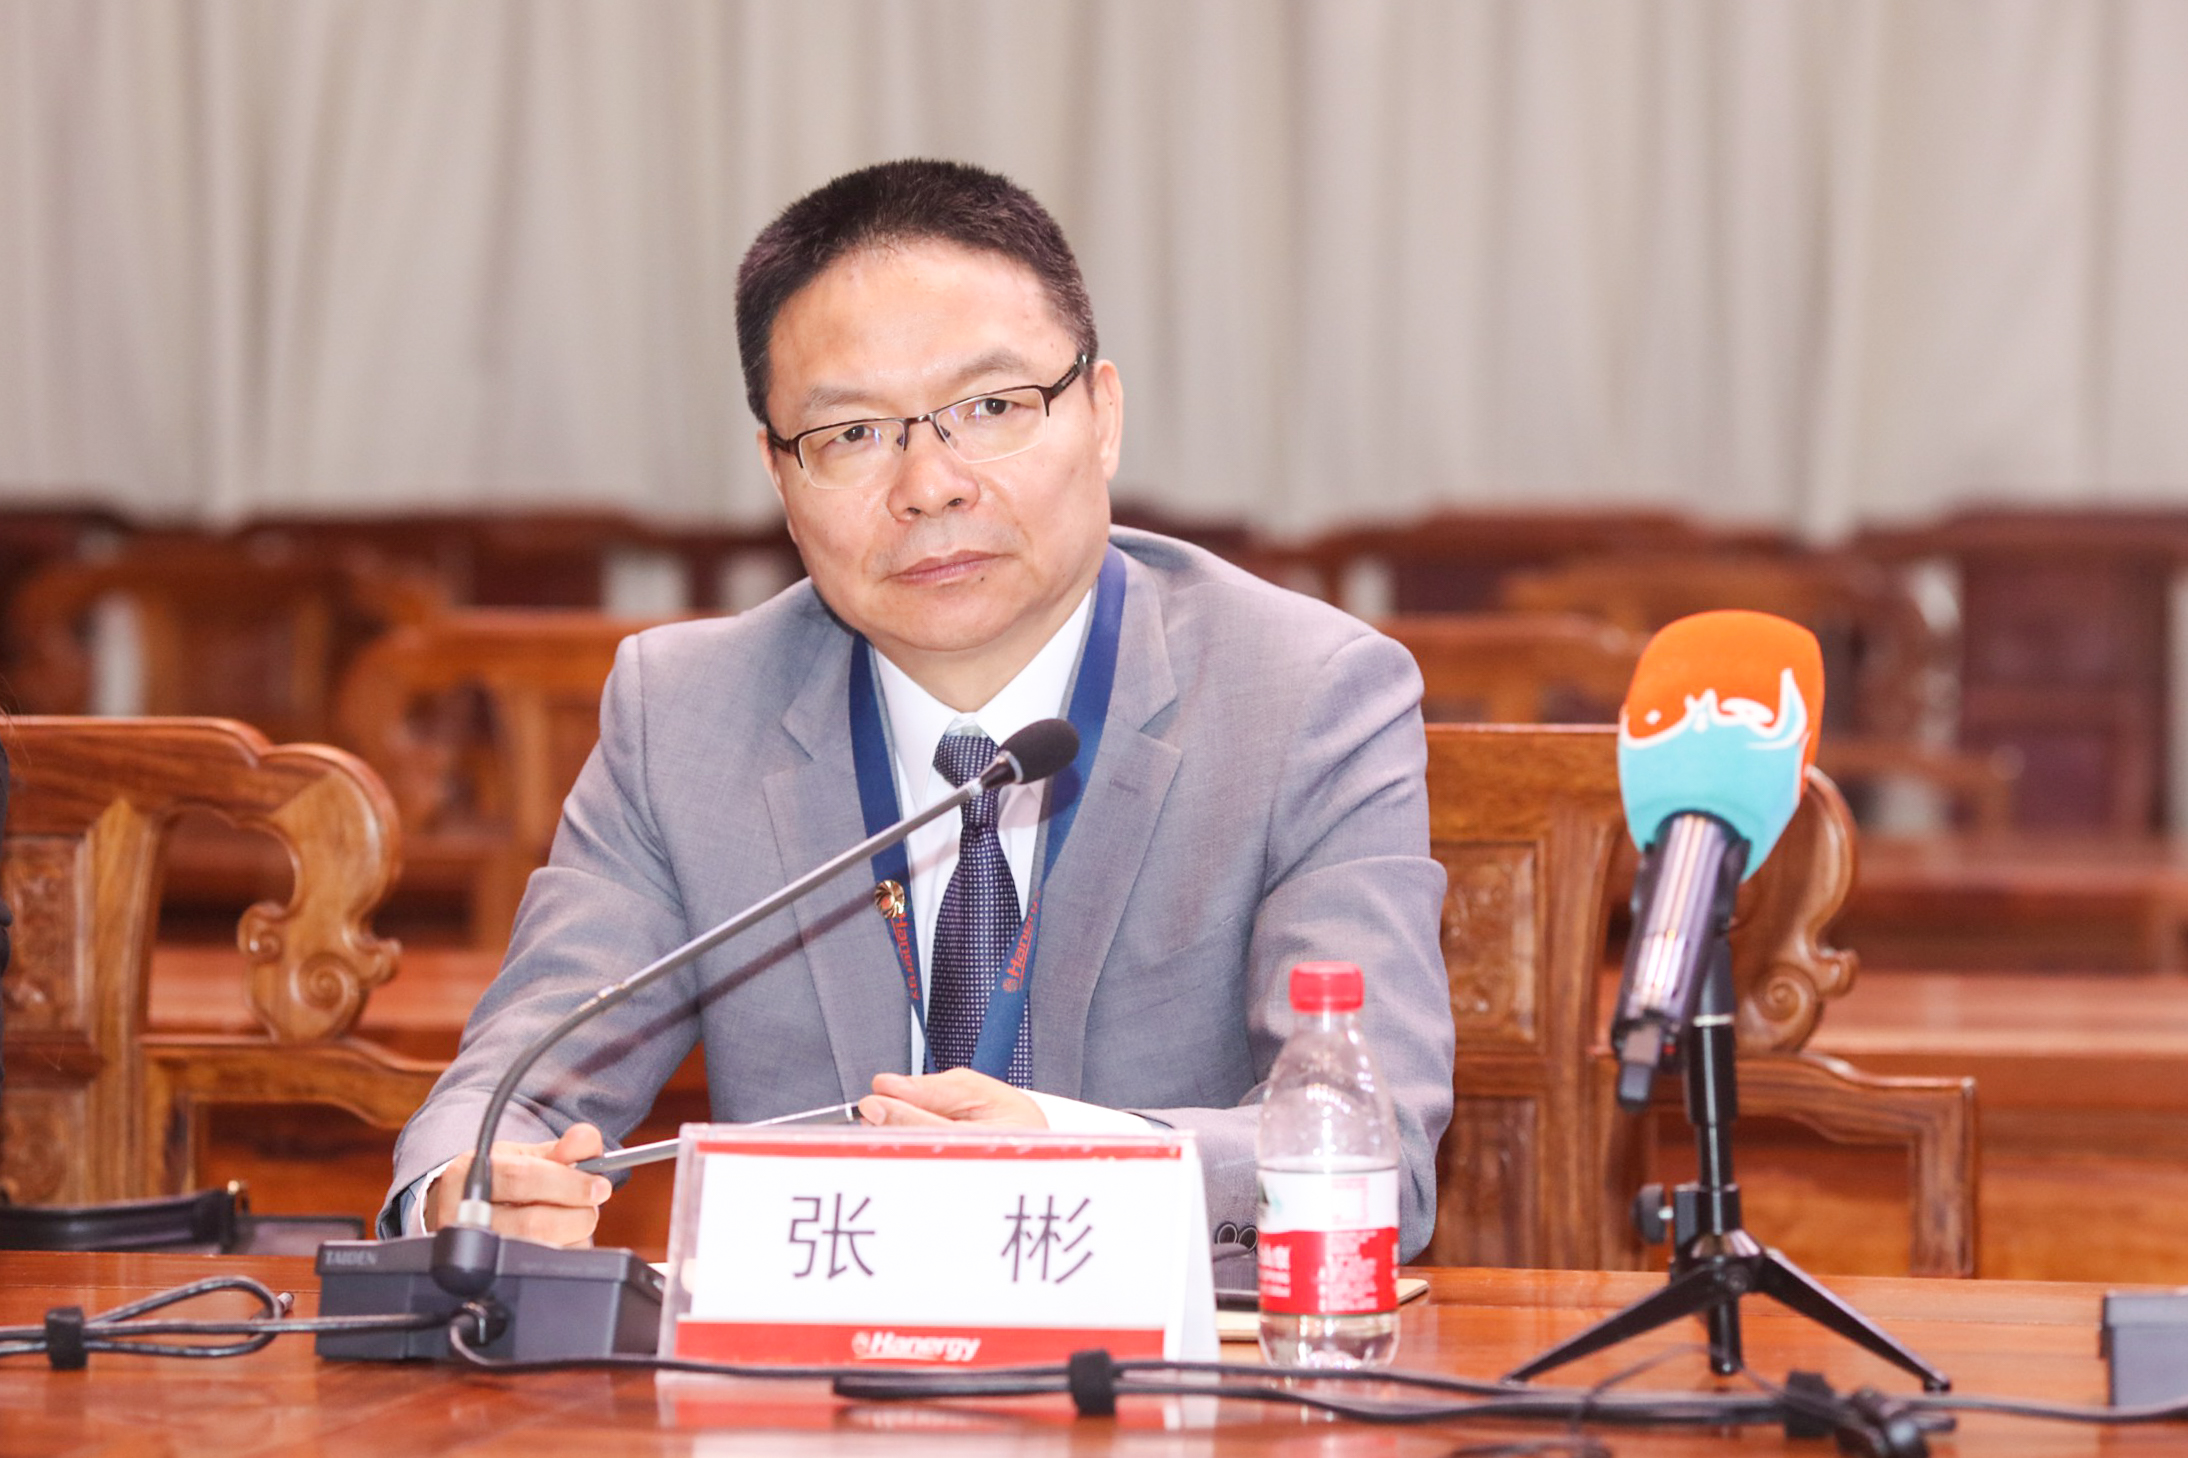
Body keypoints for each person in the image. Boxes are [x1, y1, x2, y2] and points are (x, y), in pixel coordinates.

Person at [381, 159, 1453, 1264]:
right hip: (811, 1359)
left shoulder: (1306, 697)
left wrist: (1069, 1157)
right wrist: (465, 1191)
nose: (929, 485)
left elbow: (1367, 1150)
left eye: (989, 408)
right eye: (851, 434)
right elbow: (513, 1087)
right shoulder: (686, 717)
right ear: (779, 477)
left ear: (1102, 415)